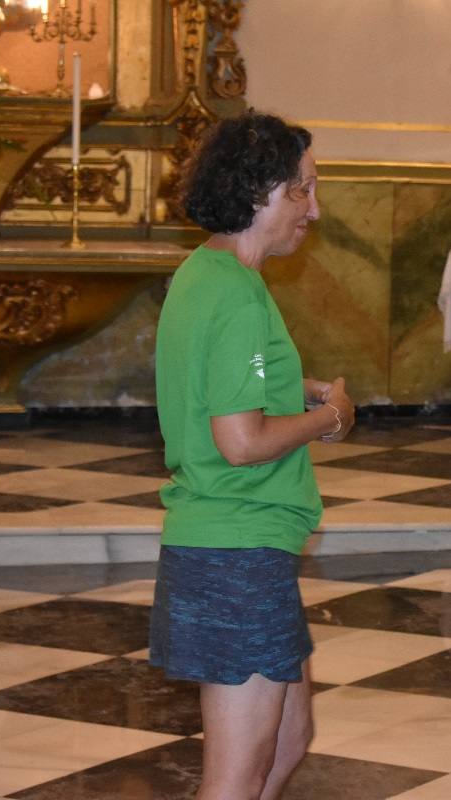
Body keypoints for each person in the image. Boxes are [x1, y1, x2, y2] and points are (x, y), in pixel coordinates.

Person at [149, 111, 355, 800]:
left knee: (290, 739)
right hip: (234, 545)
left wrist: (300, 387)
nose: (314, 209)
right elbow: (239, 441)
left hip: (237, 547)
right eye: (304, 190)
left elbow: (220, 383)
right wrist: (327, 417)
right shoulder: (237, 294)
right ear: (262, 190)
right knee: (234, 778)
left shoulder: (203, 274)